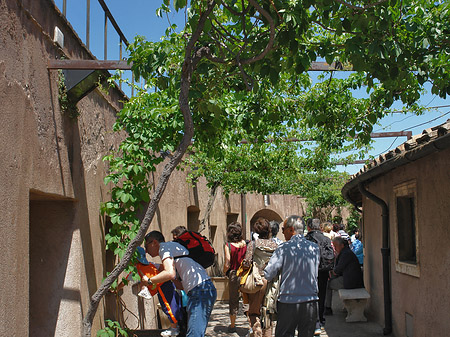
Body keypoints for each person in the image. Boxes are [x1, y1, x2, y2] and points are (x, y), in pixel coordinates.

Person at [144, 230, 217, 337]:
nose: (146, 251)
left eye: (146, 246)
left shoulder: (164, 248)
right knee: (195, 332)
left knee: (194, 334)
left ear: (154, 242)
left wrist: (150, 281)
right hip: (201, 290)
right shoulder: (173, 249)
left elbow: (169, 273)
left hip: (200, 291)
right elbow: (180, 284)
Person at [265, 215, 320, 337]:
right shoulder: (314, 248)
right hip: (310, 301)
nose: (283, 232)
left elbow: (269, 273)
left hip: (288, 301)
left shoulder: (284, 249)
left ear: (291, 230)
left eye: (283, 229)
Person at [115, 247, 183, 337]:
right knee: (173, 304)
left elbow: (125, 281)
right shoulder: (151, 264)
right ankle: (179, 326)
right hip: (166, 284)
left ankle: (174, 328)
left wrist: (116, 289)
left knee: (168, 306)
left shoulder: (137, 269)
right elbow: (162, 267)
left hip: (162, 287)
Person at [242, 218, 278, 337]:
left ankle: (257, 334)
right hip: (272, 282)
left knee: (254, 312)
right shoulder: (275, 245)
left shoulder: (253, 244)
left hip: (257, 281)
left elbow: (247, 262)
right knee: (267, 313)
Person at [305, 219, 334, 334]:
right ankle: (321, 320)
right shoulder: (326, 239)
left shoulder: (306, 239)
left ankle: (312, 320)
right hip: (323, 271)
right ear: (320, 228)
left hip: (309, 271)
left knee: (310, 296)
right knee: (321, 295)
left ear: (308, 228)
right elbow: (331, 255)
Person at [324, 236, 364, 315]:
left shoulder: (345, 254)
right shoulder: (346, 252)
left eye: (336, 246)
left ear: (342, 245)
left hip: (350, 282)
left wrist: (332, 273)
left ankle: (327, 307)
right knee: (330, 280)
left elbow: (338, 270)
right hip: (352, 280)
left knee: (327, 284)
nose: (335, 249)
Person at [223, 222, 247, 333]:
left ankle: (232, 325)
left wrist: (225, 272)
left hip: (234, 274)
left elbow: (227, 262)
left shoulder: (228, 246)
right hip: (245, 273)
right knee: (247, 298)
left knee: (233, 299)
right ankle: (251, 323)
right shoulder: (245, 243)